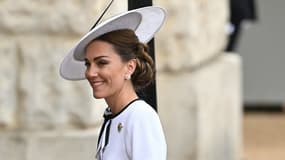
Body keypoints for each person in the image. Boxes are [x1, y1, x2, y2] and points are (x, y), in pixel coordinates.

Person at [59, 6, 167, 160]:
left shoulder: (140, 117)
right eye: (88, 64)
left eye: (102, 63)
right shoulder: (112, 117)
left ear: (130, 67)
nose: (90, 73)